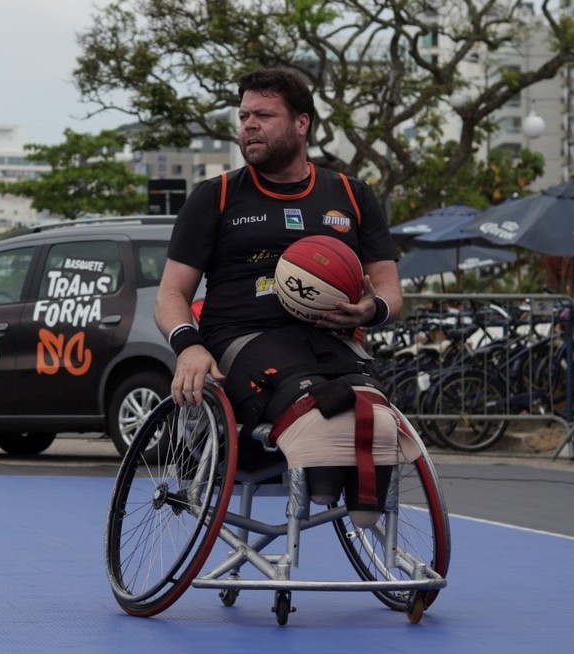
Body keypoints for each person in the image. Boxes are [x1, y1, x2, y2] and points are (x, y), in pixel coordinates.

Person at [154, 68, 403, 522]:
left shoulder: (351, 194)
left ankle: (362, 502)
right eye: (244, 114)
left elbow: (388, 287)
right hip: (242, 338)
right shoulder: (216, 197)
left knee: (374, 406)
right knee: (306, 399)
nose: (249, 124)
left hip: (331, 339)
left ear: (302, 123)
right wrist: (188, 347)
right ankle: (309, 473)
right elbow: (171, 293)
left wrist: (372, 309)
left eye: (264, 115)